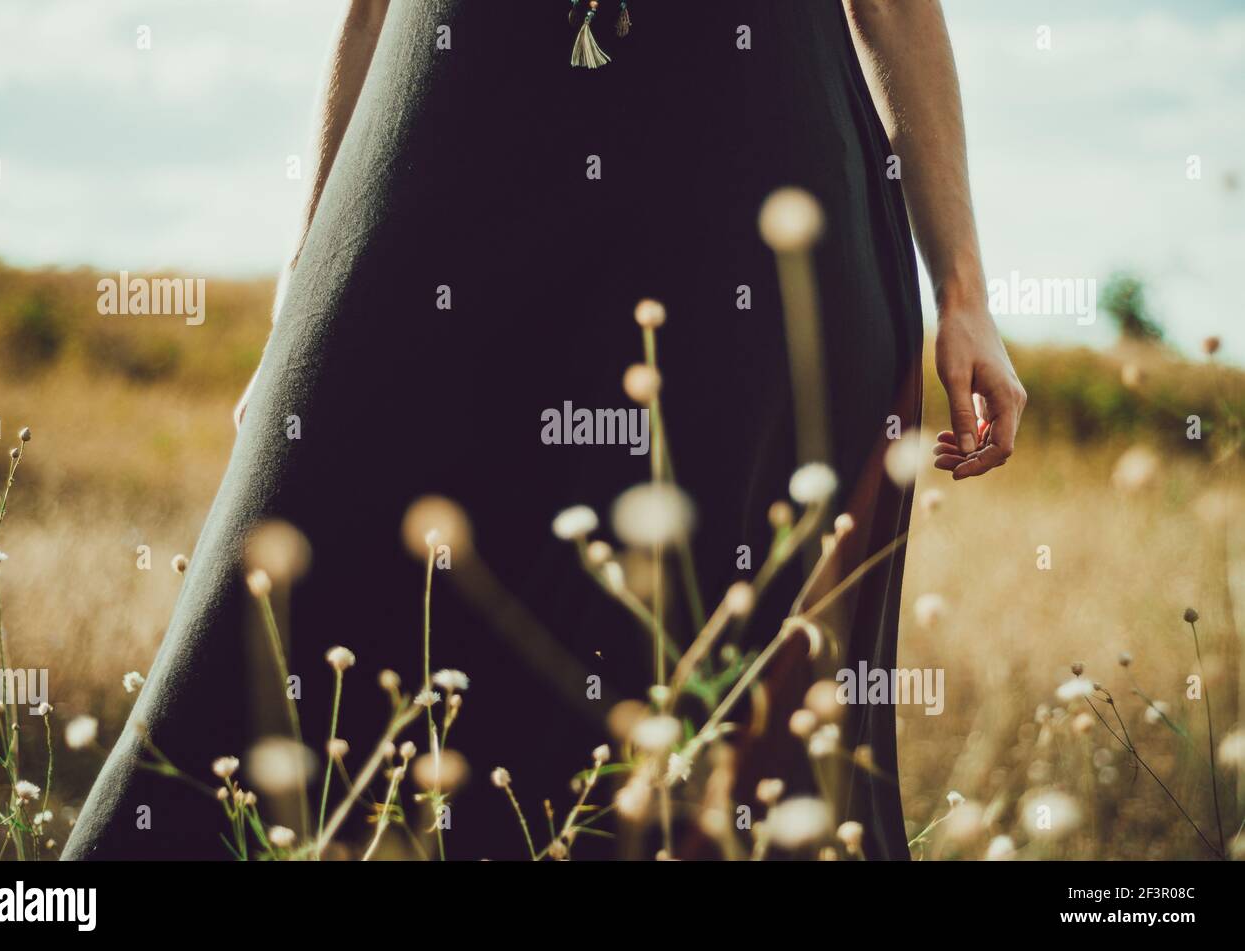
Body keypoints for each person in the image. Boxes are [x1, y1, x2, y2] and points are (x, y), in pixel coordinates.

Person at [65, 0, 1024, 861]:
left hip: (741, 184)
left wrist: (964, 296)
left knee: (669, 694)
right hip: (443, 136)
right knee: (273, 622)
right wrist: (308, 264)